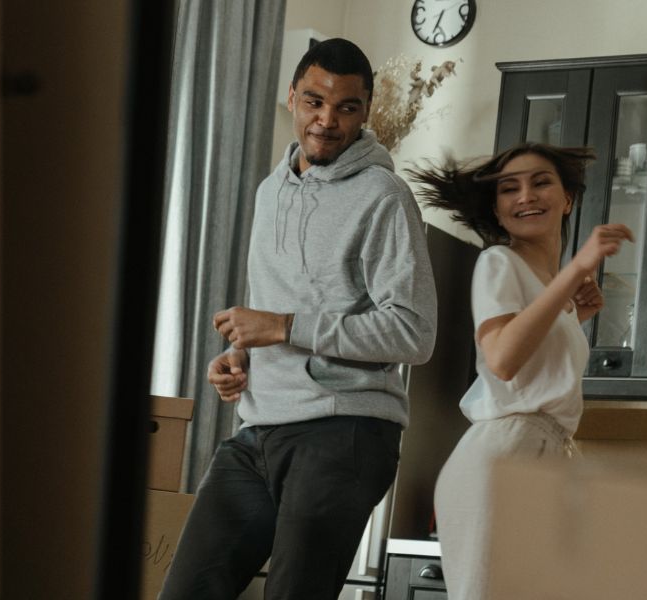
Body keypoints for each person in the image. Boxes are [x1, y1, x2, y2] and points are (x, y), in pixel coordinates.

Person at [158, 38, 437, 600]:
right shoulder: (270, 191)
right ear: (291, 97)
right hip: (259, 428)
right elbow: (270, 305)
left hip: (345, 431)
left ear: (367, 110)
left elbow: (414, 332)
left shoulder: (384, 197)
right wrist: (240, 356)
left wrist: (285, 327)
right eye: (314, 101)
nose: (327, 121)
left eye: (347, 107)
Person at [408, 142, 633, 599]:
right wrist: (576, 273)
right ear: (497, 207)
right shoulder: (498, 262)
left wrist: (571, 313)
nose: (525, 196)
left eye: (541, 182)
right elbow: (503, 360)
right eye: (509, 189)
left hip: (541, 463)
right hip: (501, 461)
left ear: (567, 198)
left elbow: (533, 362)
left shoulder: (548, 290)